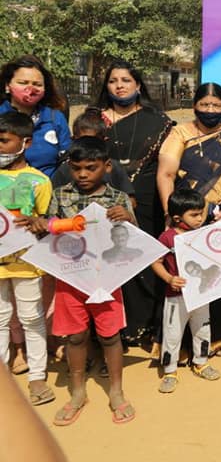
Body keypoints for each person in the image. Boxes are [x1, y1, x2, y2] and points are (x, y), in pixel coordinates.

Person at [20, 137, 137, 426]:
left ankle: (116, 392)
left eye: (91, 168)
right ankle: (77, 392)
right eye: (76, 168)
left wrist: (129, 219)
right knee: (75, 336)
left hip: (107, 280)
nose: (83, 174)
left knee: (110, 336)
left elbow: (135, 240)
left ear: (107, 167)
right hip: (70, 279)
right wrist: (39, 226)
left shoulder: (118, 199)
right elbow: (48, 231)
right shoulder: (60, 195)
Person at [157, 83, 221, 356]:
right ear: (194, 106)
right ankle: (184, 342)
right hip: (185, 216)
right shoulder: (180, 134)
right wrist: (172, 214)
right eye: (205, 105)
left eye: (216, 106)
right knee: (184, 276)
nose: (210, 110)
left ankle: (219, 334)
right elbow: (166, 174)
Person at [95, 60, 174, 350]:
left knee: (147, 259)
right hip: (103, 202)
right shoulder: (95, 120)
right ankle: (115, 330)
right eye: (113, 80)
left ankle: (151, 328)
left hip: (146, 201)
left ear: (138, 85)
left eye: (126, 80)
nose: (119, 85)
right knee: (111, 261)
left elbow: (168, 164)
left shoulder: (158, 121)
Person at [0, 111, 54, 406]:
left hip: (27, 263)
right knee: (0, 319)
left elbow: (46, 223)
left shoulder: (40, 181)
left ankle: (37, 376)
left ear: (26, 143)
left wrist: (38, 222)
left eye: (4, 141)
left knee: (32, 318)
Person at [150, 189, 221, 394]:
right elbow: (156, 262)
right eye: (194, 215)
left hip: (201, 294)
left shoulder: (205, 233)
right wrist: (169, 279)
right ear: (177, 218)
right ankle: (170, 371)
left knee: (202, 328)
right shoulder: (167, 237)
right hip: (175, 298)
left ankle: (201, 362)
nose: (200, 219)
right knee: (173, 333)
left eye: (202, 213)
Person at [0, 55, 70, 176]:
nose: (30, 89)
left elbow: (68, 159)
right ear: (7, 86)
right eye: (23, 83)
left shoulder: (55, 119)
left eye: (37, 84)